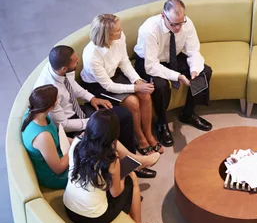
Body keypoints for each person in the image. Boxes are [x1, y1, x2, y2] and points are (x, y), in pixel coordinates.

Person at [34, 45, 158, 178]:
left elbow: (72, 85)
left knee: (124, 116)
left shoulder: (60, 68)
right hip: (70, 125)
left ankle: (130, 164)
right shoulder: (50, 89)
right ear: (64, 68)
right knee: (103, 133)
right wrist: (92, 122)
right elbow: (63, 124)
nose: (78, 61)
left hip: (79, 111)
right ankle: (128, 167)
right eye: (75, 61)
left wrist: (92, 98)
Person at [134, 0, 213, 147]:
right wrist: (177, 76)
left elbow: (193, 51)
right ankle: (161, 123)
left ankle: (188, 113)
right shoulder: (149, 30)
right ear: (163, 15)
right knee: (160, 85)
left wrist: (194, 70)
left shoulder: (186, 23)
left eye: (180, 23)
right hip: (149, 61)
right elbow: (151, 66)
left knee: (205, 72)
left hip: (173, 57)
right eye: (173, 24)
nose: (178, 28)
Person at [81, 14, 163, 155]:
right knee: (132, 102)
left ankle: (149, 134)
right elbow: (108, 86)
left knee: (145, 95)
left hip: (115, 73)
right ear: (106, 35)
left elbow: (124, 61)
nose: (122, 31)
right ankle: (140, 138)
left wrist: (137, 80)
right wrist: (135, 88)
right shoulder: (92, 56)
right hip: (97, 85)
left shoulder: (119, 37)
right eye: (117, 30)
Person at [64, 109, 154, 223]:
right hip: (94, 217)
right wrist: (122, 176)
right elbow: (116, 193)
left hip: (70, 209)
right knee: (130, 179)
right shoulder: (110, 158)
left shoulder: (76, 143)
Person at [21, 85, 69, 189]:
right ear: (51, 107)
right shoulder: (42, 137)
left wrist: (78, 140)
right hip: (55, 176)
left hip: (59, 154)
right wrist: (75, 146)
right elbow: (59, 168)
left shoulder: (34, 112)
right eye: (57, 98)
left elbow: (56, 137)